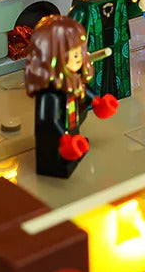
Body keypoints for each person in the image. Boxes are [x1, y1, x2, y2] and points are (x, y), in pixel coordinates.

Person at [24, 15, 118, 178]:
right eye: (75, 55)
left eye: (80, 52)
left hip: (72, 120)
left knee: (74, 131)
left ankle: (73, 147)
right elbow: (49, 121)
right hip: (56, 136)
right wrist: (64, 138)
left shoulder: (71, 79)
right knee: (54, 151)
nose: (80, 59)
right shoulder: (49, 95)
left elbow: (83, 89)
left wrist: (97, 102)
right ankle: (61, 159)